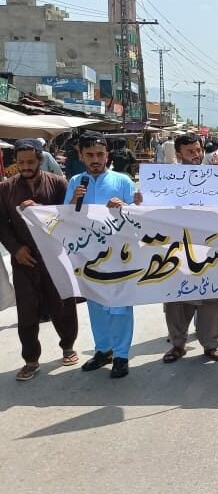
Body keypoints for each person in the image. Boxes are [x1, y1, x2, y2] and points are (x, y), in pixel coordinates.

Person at [0, 139, 78, 381]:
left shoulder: (57, 184)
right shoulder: (6, 189)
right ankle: (31, 360)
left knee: (62, 304)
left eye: (30, 161)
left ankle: (68, 346)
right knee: (27, 311)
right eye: (21, 162)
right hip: (24, 259)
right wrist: (15, 249)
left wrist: (40, 208)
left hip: (54, 255)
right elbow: (2, 225)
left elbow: (69, 218)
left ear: (40, 160)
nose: (25, 166)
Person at [64, 133, 138, 379]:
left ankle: (121, 355)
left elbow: (140, 217)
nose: (95, 160)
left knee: (119, 306)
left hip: (119, 256)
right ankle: (102, 350)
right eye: (90, 155)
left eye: (99, 155)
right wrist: (73, 202)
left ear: (107, 155)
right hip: (88, 257)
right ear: (81, 156)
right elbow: (65, 218)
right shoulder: (76, 181)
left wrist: (125, 207)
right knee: (96, 305)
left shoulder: (123, 181)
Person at [160, 134, 218, 364]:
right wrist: (142, 200)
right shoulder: (165, 180)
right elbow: (153, 209)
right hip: (178, 248)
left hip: (209, 247)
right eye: (190, 152)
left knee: (211, 299)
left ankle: (211, 345)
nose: (196, 155)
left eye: (198, 150)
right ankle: (178, 344)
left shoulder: (216, 177)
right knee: (176, 300)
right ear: (178, 154)